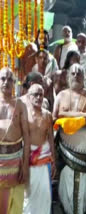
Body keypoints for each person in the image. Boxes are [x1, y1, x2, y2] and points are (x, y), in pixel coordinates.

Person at [53, 63, 86, 214]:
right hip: (64, 153)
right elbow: (54, 118)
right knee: (64, 194)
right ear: (67, 76)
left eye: (79, 73)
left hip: (82, 153)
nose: (76, 76)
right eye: (73, 73)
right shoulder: (61, 95)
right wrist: (81, 116)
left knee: (80, 195)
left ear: (84, 77)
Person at [0, 67, 30, 214]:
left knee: (16, 206)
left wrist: (25, 165)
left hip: (16, 162)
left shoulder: (20, 105)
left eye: (10, 79)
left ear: (14, 83)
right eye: (3, 79)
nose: (6, 82)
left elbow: (27, 137)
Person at [22, 84, 55, 214]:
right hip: (29, 160)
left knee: (44, 195)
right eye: (35, 94)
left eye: (41, 94)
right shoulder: (25, 115)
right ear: (29, 97)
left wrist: (53, 161)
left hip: (44, 160)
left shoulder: (47, 115)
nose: (38, 97)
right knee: (28, 197)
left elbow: (51, 139)